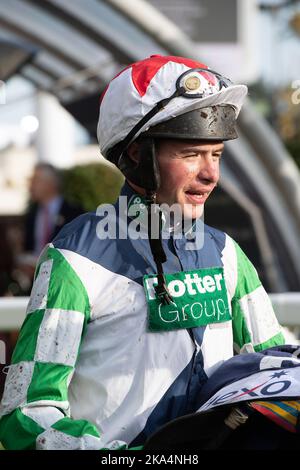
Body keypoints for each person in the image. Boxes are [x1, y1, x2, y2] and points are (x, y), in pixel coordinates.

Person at [0, 55, 285, 450]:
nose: (211, 174)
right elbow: (26, 414)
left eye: (216, 154)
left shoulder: (227, 254)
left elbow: (276, 376)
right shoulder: (75, 258)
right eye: (191, 155)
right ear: (136, 155)